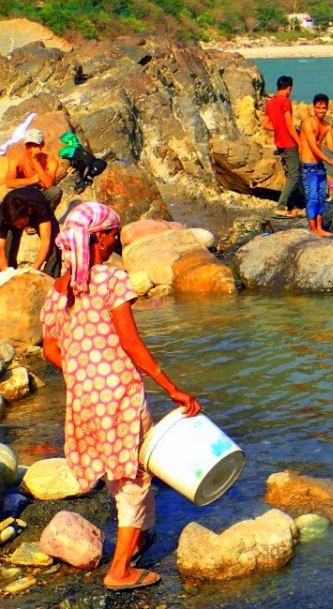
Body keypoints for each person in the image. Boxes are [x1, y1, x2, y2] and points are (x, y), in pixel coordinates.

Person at [40, 202, 201, 591]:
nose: (116, 240)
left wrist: (82, 370)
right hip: (119, 394)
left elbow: (49, 348)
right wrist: (171, 387)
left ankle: (140, 537)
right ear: (98, 239)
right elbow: (130, 342)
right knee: (134, 478)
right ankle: (119, 570)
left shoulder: (58, 289)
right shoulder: (111, 279)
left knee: (123, 468)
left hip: (83, 396)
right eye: (113, 233)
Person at [298, 93, 333, 238]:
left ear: (327, 108)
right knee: (312, 197)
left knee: (321, 197)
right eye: (318, 107)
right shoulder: (307, 123)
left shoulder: (326, 126)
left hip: (320, 167)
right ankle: (313, 229)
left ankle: (319, 227)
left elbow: (330, 145)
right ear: (314, 107)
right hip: (309, 167)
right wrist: (330, 161)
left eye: (324, 108)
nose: (321, 111)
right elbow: (313, 147)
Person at [263, 75, 304, 218]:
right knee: (295, 175)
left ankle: (292, 206)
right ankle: (281, 206)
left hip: (279, 143)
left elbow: (265, 124)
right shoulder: (286, 101)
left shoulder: (270, 102)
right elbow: (289, 125)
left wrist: (278, 129)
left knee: (290, 174)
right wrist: (299, 141)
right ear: (289, 88)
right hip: (288, 143)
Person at [0, 186, 60, 276]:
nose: (19, 227)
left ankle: (52, 279)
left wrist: (34, 269)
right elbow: (0, 249)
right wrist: (6, 273)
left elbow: (45, 241)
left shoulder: (38, 207)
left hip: (36, 203)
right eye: (15, 225)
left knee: (54, 247)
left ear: (29, 212)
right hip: (12, 216)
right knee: (8, 253)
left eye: (21, 224)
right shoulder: (3, 217)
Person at [2, 126, 63, 209]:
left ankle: (47, 214)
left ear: (42, 144)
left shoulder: (50, 160)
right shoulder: (17, 160)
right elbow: (9, 183)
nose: (31, 149)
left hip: (41, 194)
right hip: (24, 195)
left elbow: (49, 185)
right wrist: (33, 180)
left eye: (35, 145)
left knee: (55, 192)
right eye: (28, 145)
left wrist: (35, 160)